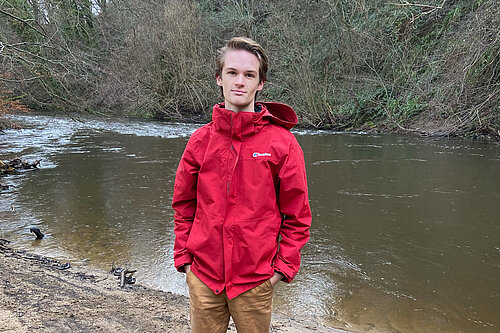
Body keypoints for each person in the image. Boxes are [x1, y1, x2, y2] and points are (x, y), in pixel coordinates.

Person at [172, 36, 311, 333]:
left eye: (249, 75)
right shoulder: (200, 141)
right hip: (204, 277)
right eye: (232, 73)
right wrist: (185, 261)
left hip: (255, 281)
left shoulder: (282, 144)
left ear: (260, 83)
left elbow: (297, 217)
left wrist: (280, 270)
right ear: (219, 78)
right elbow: (184, 205)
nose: (240, 81)